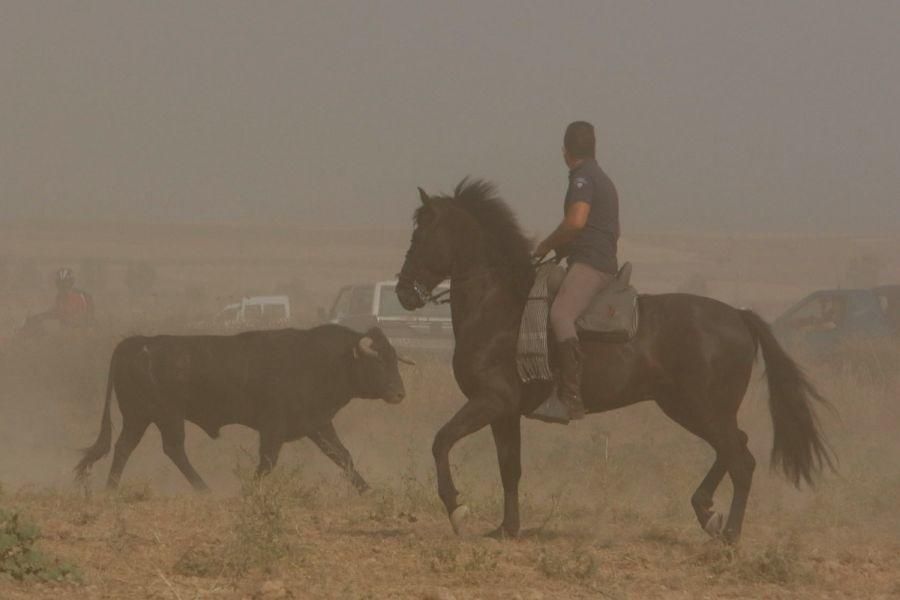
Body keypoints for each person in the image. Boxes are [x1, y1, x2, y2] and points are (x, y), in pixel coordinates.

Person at [533, 121, 620, 419]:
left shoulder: (583, 178)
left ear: (565, 152)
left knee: (561, 314)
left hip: (592, 265)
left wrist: (545, 245)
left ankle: (570, 397)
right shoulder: (598, 175)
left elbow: (576, 222)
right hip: (587, 258)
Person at [26, 268, 95, 332]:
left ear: (71, 283)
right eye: (60, 284)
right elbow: (57, 311)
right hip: (66, 333)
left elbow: (81, 316)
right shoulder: (59, 297)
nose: (63, 287)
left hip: (81, 332)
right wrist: (40, 316)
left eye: (65, 284)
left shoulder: (79, 296)